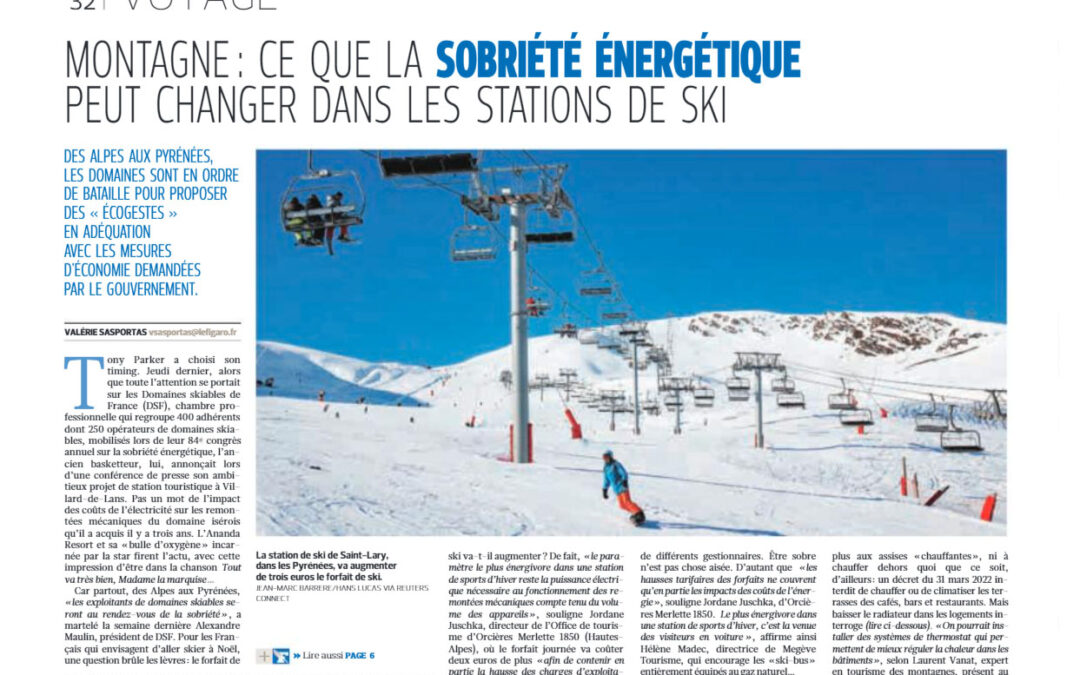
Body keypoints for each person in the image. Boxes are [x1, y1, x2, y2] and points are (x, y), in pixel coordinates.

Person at [601, 450, 645, 525]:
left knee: (627, 501)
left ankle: (639, 514)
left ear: (611, 457)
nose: (605, 459)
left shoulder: (616, 464)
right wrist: (605, 489)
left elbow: (623, 472)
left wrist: (624, 480)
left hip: (622, 486)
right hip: (617, 490)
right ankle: (635, 513)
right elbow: (606, 480)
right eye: (604, 457)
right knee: (622, 505)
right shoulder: (606, 468)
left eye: (607, 457)